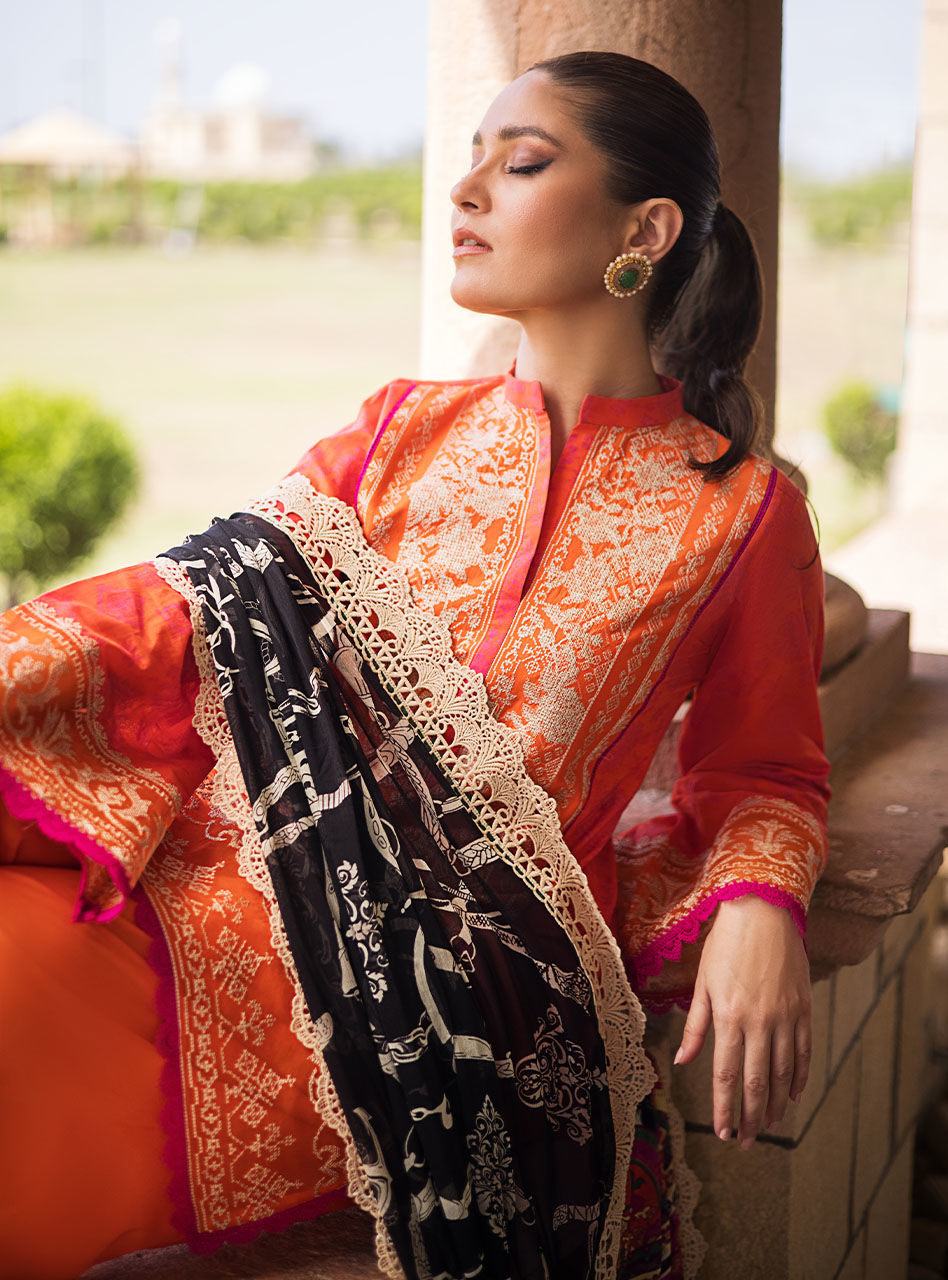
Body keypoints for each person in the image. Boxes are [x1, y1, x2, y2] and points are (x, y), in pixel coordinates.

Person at [0, 50, 829, 1280]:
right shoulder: (399, 429)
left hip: (441, 978)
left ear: (645, 231)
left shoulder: (742, 512)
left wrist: (763, 902)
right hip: (233, 853)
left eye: (523, 162)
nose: (467, 188)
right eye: (474, 156)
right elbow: (190, 616)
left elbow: (767, 770)